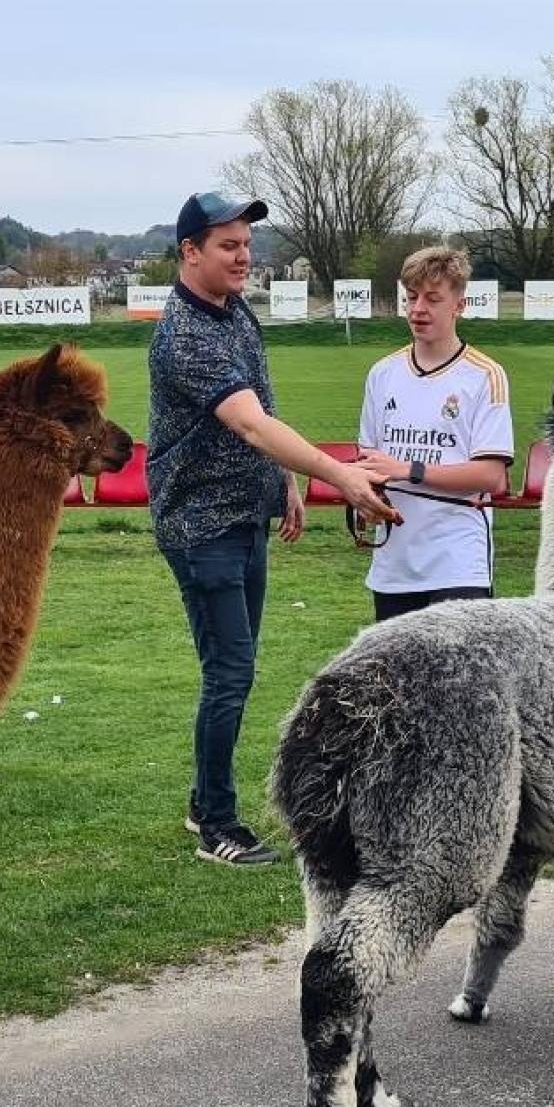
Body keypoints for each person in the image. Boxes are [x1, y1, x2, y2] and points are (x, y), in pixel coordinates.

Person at [148, 191, 399, 868]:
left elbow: (262, 406)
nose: (243, 257)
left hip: (243, 514)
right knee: (229, 670)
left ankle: (206, 799)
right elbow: (250, 423)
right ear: (190, 252)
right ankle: (217, 825)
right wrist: (339, 476)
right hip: (201, 525)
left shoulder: (234, 313)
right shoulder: (185, 335)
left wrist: (281, 481)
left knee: (233, 666)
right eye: (228, 246)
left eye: (247, 245)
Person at [354, 247, 514, 622]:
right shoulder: (382, 373)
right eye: (411, 298)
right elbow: (369, 462)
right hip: (394, 567)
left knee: (461, 682)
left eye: (432, 298)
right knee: (394, 682)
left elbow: (491, 476)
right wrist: (367, 497)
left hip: (457, 565)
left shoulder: (485, 376)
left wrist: (407, 469)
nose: (417, 309)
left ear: (459, 304)